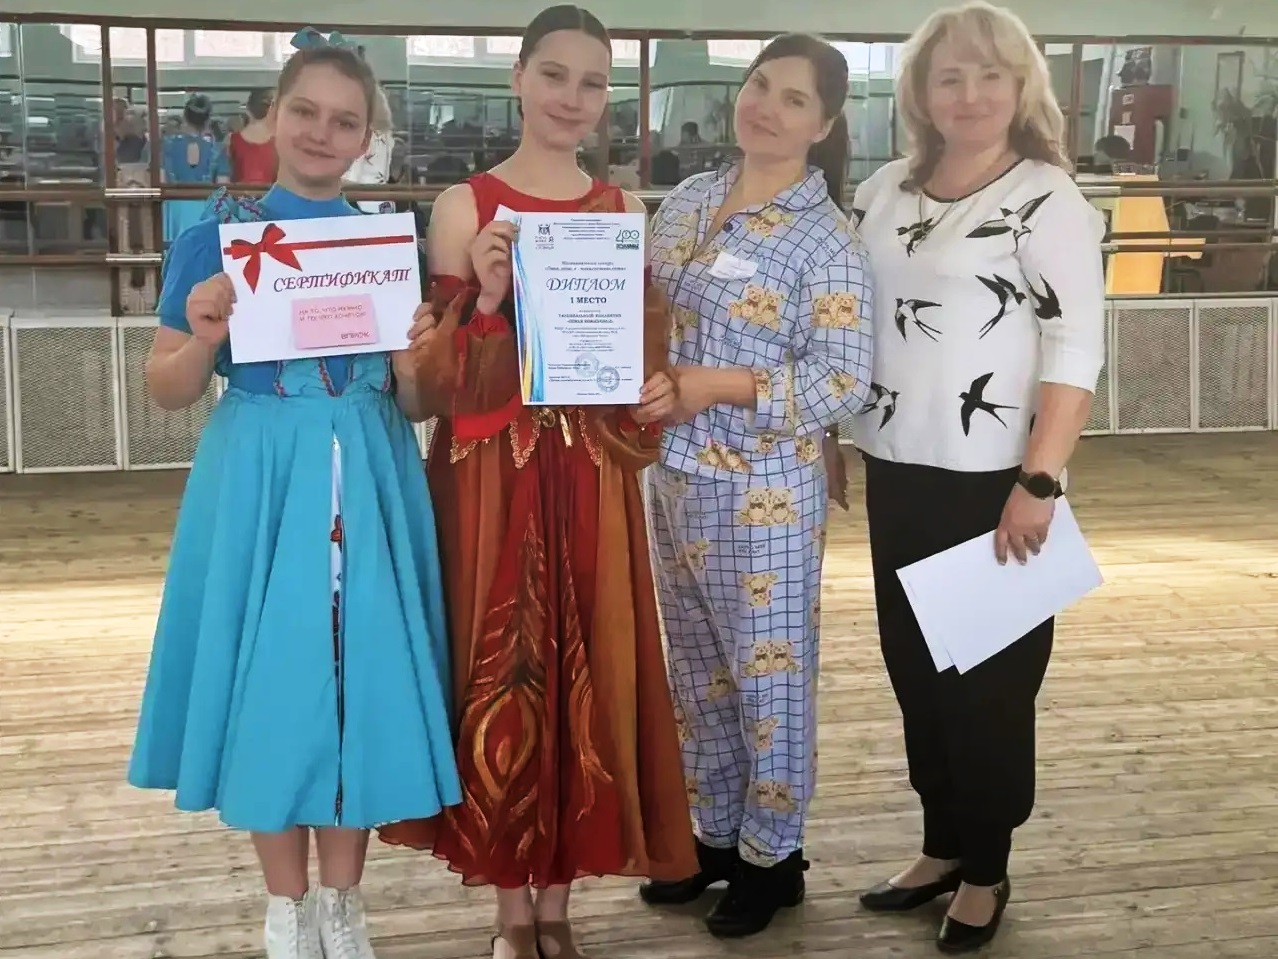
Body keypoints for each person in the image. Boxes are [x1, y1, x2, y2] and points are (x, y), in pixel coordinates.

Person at [126, 33, 461, 959]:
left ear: (367, 138)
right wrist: (202, 335)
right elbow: (166, 387)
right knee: (269, 676)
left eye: (344, 120)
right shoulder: (213, 237)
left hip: (370, 463)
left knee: (360, 672)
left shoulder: (390, 243)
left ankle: (343, 905)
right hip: (262, 474)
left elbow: (416, 402)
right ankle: (287, 909)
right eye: (305, 111)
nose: (321, 132)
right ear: (273, 116)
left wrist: (413, 361)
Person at [376, 6, 698, 959]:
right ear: (518, 78)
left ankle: (557, 905)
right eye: (554, 74)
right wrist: (482, 298)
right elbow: (435, 389)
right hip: (492, 474)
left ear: (608, 99)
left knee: (588, 663)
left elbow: (636, 359)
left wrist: (651, 389)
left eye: (592, 82)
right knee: (502, 669)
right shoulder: (464, 205)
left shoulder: (623, 210)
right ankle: (510, 911)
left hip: (590, 473)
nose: (571, 97)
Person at [846, 2, 1105, 952]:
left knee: (987, 690)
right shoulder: (883, 189)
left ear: (1021, 86)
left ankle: (987, 866)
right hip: (895, 467)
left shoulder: (1048, 197)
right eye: (948, 75)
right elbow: (850, 317)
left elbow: (1076, 347)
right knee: (916, 673)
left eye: (990, 74)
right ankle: (942, 844)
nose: (970, 93)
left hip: (994, 483)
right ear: (919, 91)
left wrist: (1040, 481)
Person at [638, 33, 875, 939]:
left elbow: (843, 378)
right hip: (672, 476)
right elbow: (642, 310)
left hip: (762, 492)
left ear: (824, 123)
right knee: (698, 673)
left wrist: (722, 385)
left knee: (768, 680)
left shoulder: (826, 239)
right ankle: (714, 837)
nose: (766, 107)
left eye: (793, 98)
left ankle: (774, 859)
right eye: (759, 84)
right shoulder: (689, 201)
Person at [160, 93, 230, 242]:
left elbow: (162, 180)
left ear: (184, 118)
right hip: (206, 211)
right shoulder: (218, 150)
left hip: (174, 209)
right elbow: (223, 187)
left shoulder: (167, 146)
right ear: (208, 121)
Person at [228, 87, 278, 184]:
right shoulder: (280, 143)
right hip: (269, 193)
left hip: (240, 193)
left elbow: (224, 179)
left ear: (248, 109)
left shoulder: (233, 140)